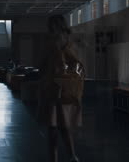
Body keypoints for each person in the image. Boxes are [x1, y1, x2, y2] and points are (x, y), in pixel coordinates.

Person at [38, 15, 84, 162]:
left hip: (55, 88)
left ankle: (61, 158)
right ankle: (72, 156)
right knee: (63, 127)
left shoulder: (56, 40)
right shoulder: (66, 40)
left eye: (51, 24)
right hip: (61, 88)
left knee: (54, 129)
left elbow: (54, 63)